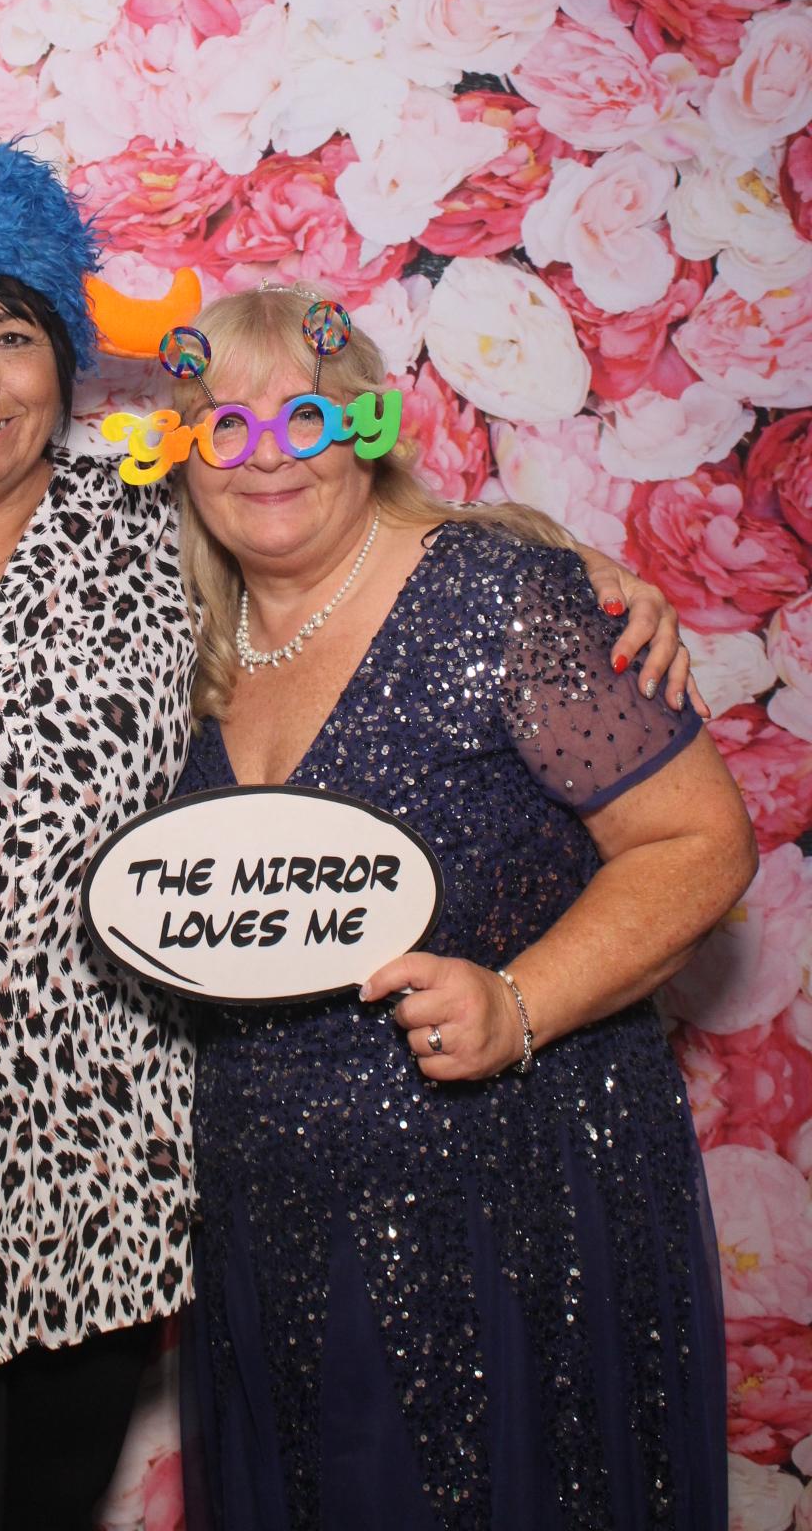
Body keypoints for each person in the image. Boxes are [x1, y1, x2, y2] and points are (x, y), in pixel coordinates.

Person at [0, 131, 694, 1531]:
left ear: (66, 359)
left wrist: (560, 568)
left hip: (100, 1157)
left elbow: (334, 526)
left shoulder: (149, 531)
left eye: (14, 336)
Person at [168, 287, 755, 1531]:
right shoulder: (182, 648)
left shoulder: (499, 598)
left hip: (514, 1201)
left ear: (369, 426)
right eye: (225, 425)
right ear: (181, 455)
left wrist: (517, 1000)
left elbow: (695, 841)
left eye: (308, 415)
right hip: (268, 1220)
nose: (268, 454)